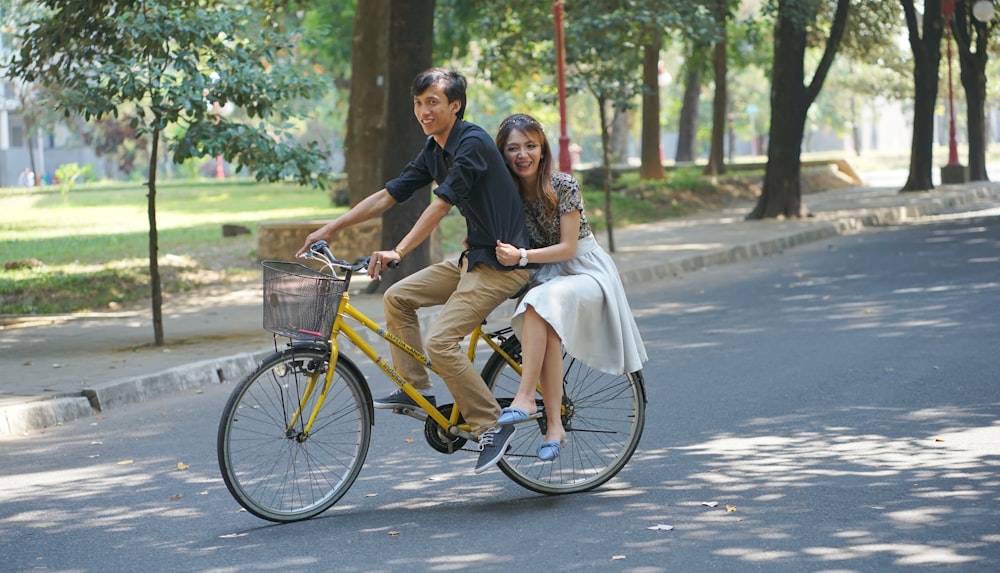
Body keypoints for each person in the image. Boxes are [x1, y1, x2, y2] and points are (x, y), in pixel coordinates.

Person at [296, 68, 531, 474]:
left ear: (454, 106)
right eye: (418, 103)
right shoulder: (434, 149)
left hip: (503, 265)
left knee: (441, 341)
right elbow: (390, 194)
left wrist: (398, 251)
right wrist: (332, 227)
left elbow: (439, 206)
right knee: (398, 297)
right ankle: (413, 388)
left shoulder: (471, 143)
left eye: (433, 102)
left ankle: (491, 424)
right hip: (473, 260)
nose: (423, 110)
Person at [493, 113, 647, 461]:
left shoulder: (563, 185)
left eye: (530, 146)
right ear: (502, 153)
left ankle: (524, 397)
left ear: (542, 149)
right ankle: (554, 428)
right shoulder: (509, 194)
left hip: (585, 272)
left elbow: (568, 249)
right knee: (544, 322)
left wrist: (521, 256)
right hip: (545, 275)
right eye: (513, 148)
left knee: (539, 301)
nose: (523, 155)